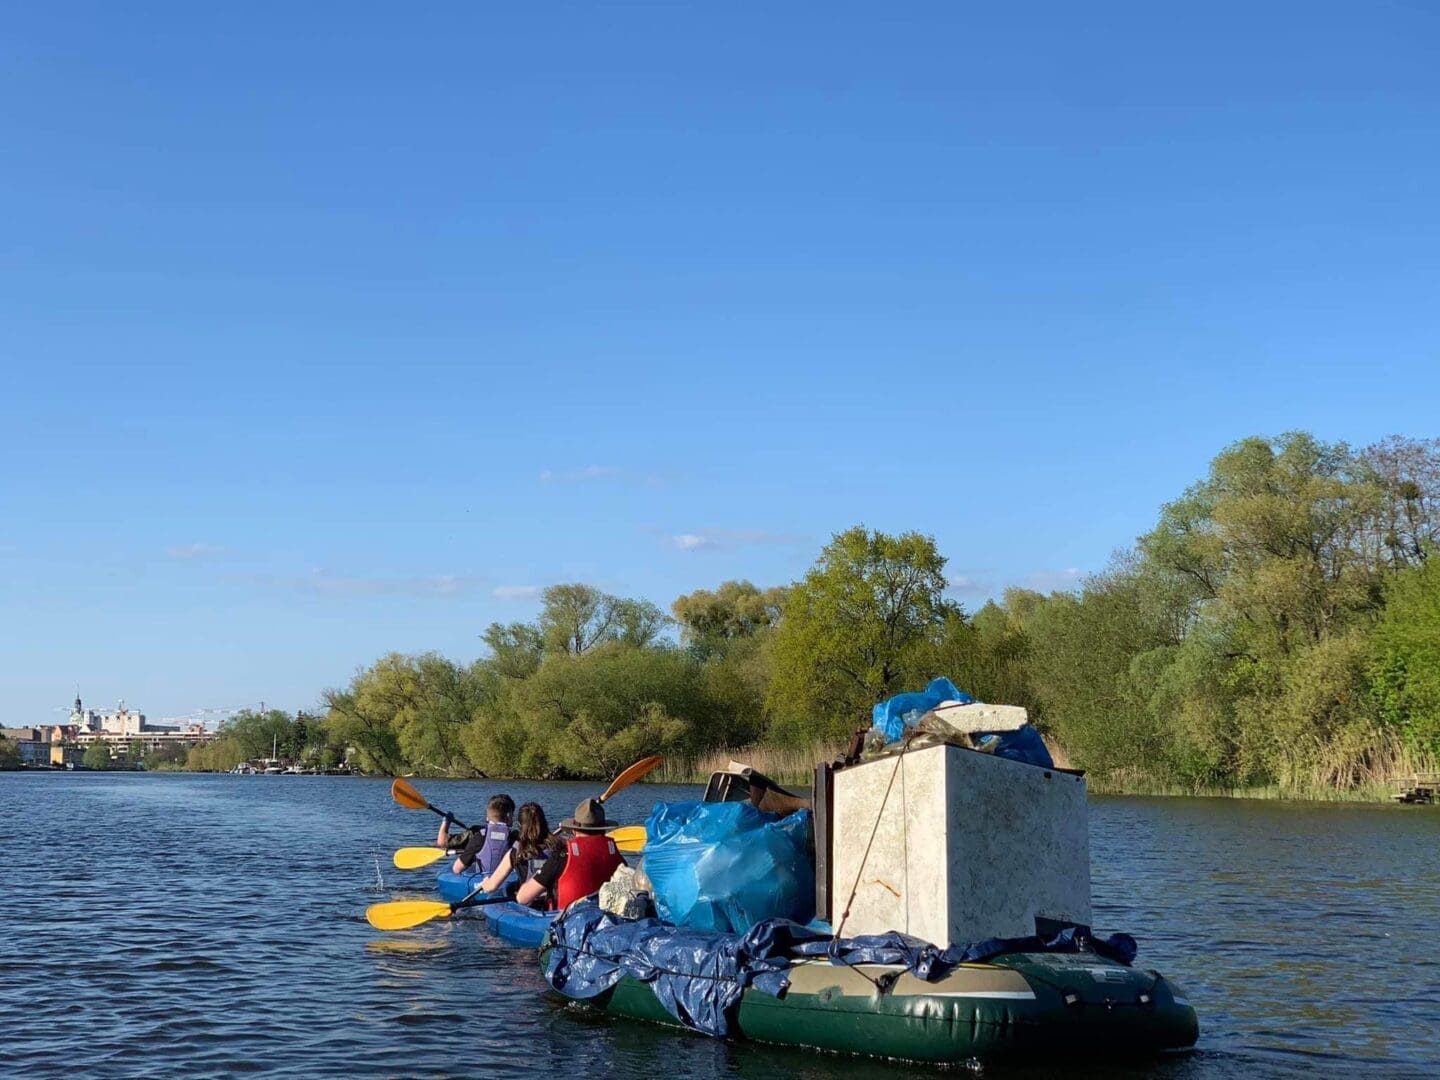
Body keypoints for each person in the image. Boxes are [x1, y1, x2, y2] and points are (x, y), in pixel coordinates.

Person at [512, 797, 624, 911]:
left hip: (569, 922)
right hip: (606, 918)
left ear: (574, 830)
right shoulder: (613, 852)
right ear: (604, 829)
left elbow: (523, 898)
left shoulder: (563, 855)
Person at [479, 801, 559, 897]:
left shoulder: (516, 851)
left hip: (528, 902)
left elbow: (492, 887)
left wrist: (485, 883)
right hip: (554, 902)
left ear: (520, 825)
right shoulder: (559, 847)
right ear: (544, 822)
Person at [438, 793, 516, 878]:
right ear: (509, 816)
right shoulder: (518, 837)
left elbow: (442, 842)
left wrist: (446, 822)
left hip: (482, 882)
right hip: (508, 881)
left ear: (487, 816)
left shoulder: (476, 833)